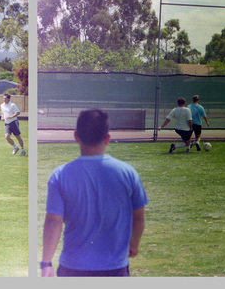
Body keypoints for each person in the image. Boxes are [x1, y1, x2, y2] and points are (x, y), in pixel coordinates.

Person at [41, 109, 148, 277]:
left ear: (76, 136)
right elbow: (139, 217)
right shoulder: (128, 173)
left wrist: (46, 263)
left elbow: (53, 221)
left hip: (72, 268)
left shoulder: (60, 175)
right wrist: (134, 244)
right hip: (115, 269)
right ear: (107, 139)